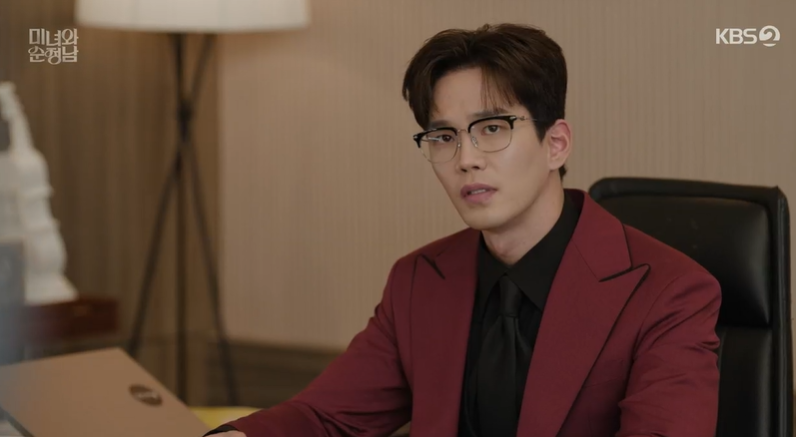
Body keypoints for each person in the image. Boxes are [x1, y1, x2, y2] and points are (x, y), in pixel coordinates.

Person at [205, 23, 721, 437]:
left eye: (492, 128)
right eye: (444, 136)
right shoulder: (419, 280)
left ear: (556, 144)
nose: (465, 159)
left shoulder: (671, 292)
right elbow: (327, 417)